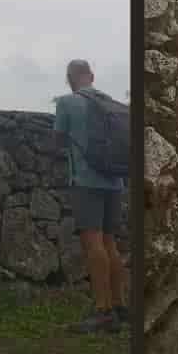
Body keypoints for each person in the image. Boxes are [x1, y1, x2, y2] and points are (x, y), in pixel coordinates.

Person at [55, 59, 127, 333]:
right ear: (92, 76)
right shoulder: (109, 103)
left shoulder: (67, 103)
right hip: (115, 181)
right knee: (110, 243)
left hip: (86, 181)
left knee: (93, 244)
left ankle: (103, 310)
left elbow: (59, 139)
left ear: (70, 78)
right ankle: (119, 305)